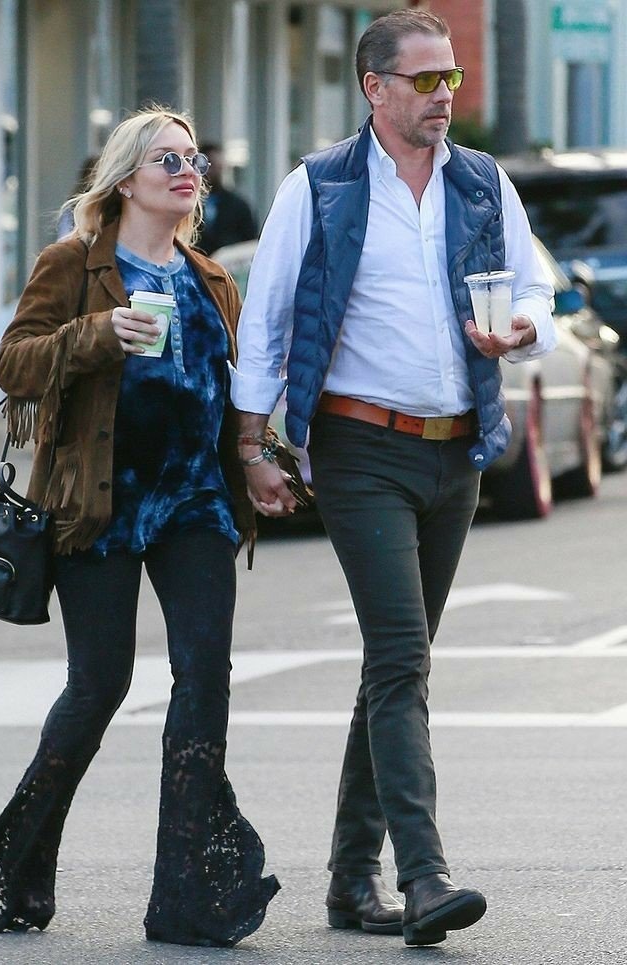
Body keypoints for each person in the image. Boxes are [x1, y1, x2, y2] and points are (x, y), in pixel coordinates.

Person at [230, 9, 556, 949]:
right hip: (360, 447)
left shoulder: (481, 181)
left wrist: (523, 328)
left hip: (458, 450)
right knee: (404, 655)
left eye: (451, 78)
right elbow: (269, 320)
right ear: (374, 88)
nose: (444, 95)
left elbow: (535, 285)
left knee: (393, 664)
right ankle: (423, 874)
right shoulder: (320, 187)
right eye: (425, 80)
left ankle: (349, 878)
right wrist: (252, 446)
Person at [0, 107, 279, 947]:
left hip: (196, 504)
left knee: (204, 678)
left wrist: (257, 458)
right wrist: (97, 334)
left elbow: (230, 392)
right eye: (167, 159)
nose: (187, 173)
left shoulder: (211, 278)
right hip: (99, 499)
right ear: (127, 178)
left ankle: (189, 894)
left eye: (194, 161)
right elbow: (14, 364)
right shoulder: (74, 264)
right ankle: (11, 864)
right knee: (98, 685)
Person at [197, 143, 257, 255]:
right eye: (207, 167)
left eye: (217, 166)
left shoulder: (238, 206)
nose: (212, 172)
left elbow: (249, 245)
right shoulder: (189, 204)